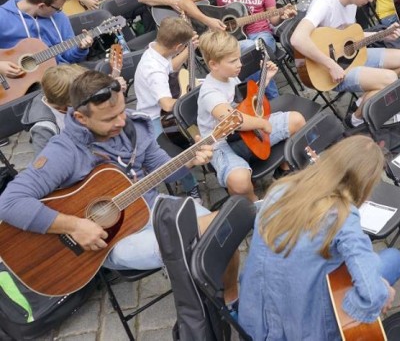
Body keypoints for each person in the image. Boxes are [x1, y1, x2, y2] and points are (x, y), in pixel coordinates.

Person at [0, 70, 241, 305]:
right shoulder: (63, 152)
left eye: (121, 111)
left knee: (222, 232)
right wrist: (75, 225)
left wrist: (189, 160)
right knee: (217, 228)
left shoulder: (134, 127)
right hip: (109, 241)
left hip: (151, 208)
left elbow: (164, 170)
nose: (121, 121)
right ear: (80, 118)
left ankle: (231, 299)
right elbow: (9, 202)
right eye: (109, 119)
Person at [239, 135, 400, 340]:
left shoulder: (281, 188)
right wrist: (380, 294)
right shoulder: (343, 217)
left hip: (254, 322)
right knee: (394, 259)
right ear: (364, 184)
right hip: (304, 329)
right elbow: (372, 295)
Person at [291, 0, 400, 128]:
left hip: (352, 57)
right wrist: (331, 65)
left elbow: (349, 38)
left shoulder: (353, 3)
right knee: (390, 79)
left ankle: (365, 100)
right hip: (331, 70)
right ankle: (356, 119)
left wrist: (384, 35)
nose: (370, 1)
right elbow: (297, 38)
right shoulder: (324, 3)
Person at [197, 30, 306, 202]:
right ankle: (253, 204)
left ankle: (283, 169)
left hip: (247, 133)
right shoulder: (210, 93)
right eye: (233, 61)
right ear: (213, 64)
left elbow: (246, 103)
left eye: (239, 58)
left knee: (297, 120)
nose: (239, 64)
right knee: (239, 181)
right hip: (222, 143)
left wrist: (266, 79)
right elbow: (232, 120)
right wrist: (261, 124)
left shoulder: (229, 76)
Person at [180, 0, 296, 99]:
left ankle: (253, 99)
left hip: (260, 34)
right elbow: (184, 1)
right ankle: (268, 101)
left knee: (250, 51)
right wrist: (208, 21)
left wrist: (282, 16)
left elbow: (273, 19)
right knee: (247, 54)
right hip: (230, 38)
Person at [134, 17, 202, 201]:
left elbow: (169, 67)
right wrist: (192, 99)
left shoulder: (157, 50)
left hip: (164, 111)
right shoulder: (153, 70)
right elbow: (166, 104)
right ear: (177, 46)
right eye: (183, 47)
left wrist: (189, 51)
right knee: (175, 155)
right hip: (155, 118)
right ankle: (191, 186)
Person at [0, 0, 93, 64]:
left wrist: (80, 49)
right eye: (57, 8)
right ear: (41, 6)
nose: (59, 11)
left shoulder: (59, 17)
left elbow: (69, 58)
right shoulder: (3, 17)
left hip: (60, 72)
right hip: (20, 78)